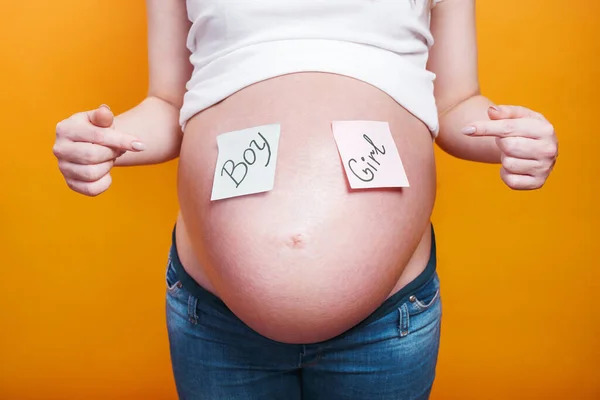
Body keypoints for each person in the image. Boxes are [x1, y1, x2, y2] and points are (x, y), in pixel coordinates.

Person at [52, 0, 558, 398]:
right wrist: (107, 140)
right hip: (216, 317)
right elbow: (167, 103)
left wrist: (511, 138)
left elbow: (454, 104)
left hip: (387, 319)